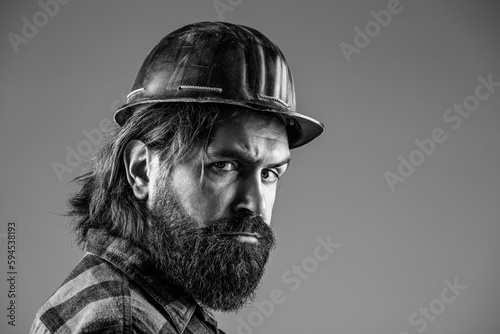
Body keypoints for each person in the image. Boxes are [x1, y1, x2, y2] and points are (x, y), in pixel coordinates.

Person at [30, 21, 324, 334]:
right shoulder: (121, 325)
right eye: (224, 165)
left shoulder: (163, 309)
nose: (254, 204)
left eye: (269, 173)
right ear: (142, 169)